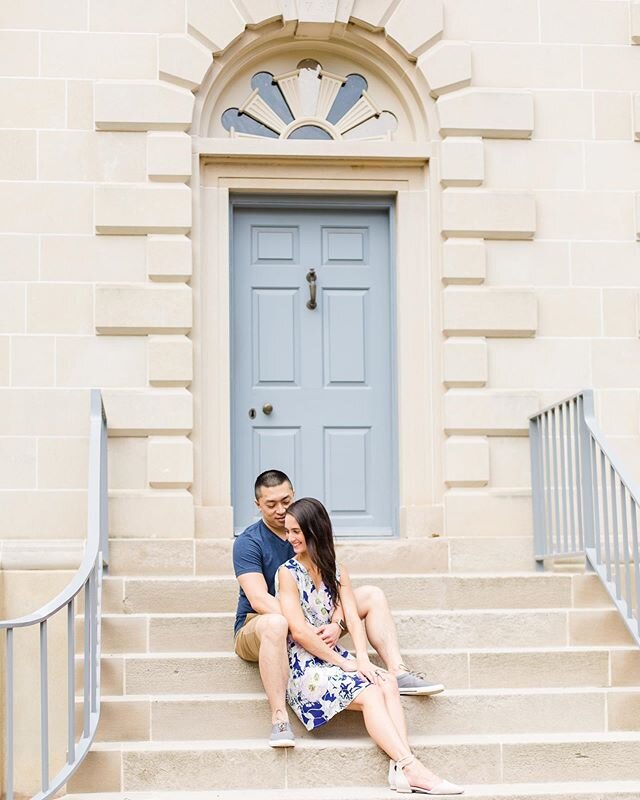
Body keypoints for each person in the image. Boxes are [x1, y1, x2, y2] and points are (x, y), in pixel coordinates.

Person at [232, 469, 444, 748]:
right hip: (259, 625)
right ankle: (279, 717)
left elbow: (331, 586)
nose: (281, 510)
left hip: (310, 623)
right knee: (276, 623)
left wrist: (336, 622)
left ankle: (398, 670)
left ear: (294, 496)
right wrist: (302, 625)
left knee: (371, 595)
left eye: (286, 501)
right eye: (271, 505)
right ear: (257, 504)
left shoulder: (304, 529)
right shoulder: (249, 542)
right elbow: (259, 599)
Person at [276, 497, 463, 795]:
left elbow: (351, 614)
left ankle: (402, 770)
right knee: (372, 694)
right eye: (288, 531)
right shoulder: (287, 573)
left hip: (334, 657)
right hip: (304, 668)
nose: (291, 538)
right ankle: (410, 766)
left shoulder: (335, 568)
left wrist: (362, 658)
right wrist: (345, 663)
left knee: (387, 681)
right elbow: (298, 632)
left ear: (315, 530)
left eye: (297, 531)